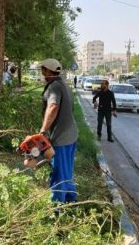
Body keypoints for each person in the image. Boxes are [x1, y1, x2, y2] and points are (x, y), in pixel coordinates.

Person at [39, 58, 78, 204]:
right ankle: (71, 200)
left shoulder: (54, 87)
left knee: (59, 173)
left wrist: (43, 131)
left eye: (43, 69)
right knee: (67, 170)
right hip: (71, 135)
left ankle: (57, 209)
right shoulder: (65, 85)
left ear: (49, 71)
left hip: (61, 138)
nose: (42, 72)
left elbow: (53, 106)